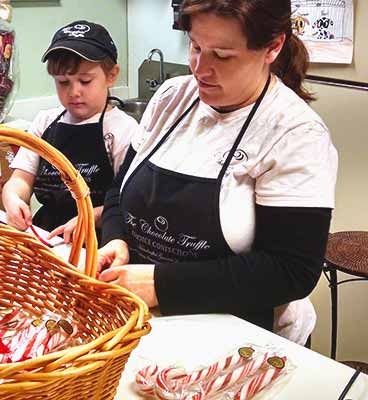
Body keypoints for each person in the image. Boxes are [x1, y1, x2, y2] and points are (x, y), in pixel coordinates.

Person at [97, 0, 338, 345]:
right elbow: (120, 190)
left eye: (222, 56)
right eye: (196, 47)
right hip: (147, 322)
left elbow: (290, 271)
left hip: (240, 338)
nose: (200, 69)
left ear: (273, 46)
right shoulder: (171, 98)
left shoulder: (295, 133)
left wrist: (159, 285)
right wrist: (117, 238)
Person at [2, 20, 140, 241]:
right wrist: (13, 198)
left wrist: (90, 217)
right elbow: (21, 179)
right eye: (63, 82)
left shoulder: (123, 130)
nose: (74, 92)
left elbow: (130, 204)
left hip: (98, 239)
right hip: (47, 235)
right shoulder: (44, 122)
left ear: (111, 75)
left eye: (85, 81)